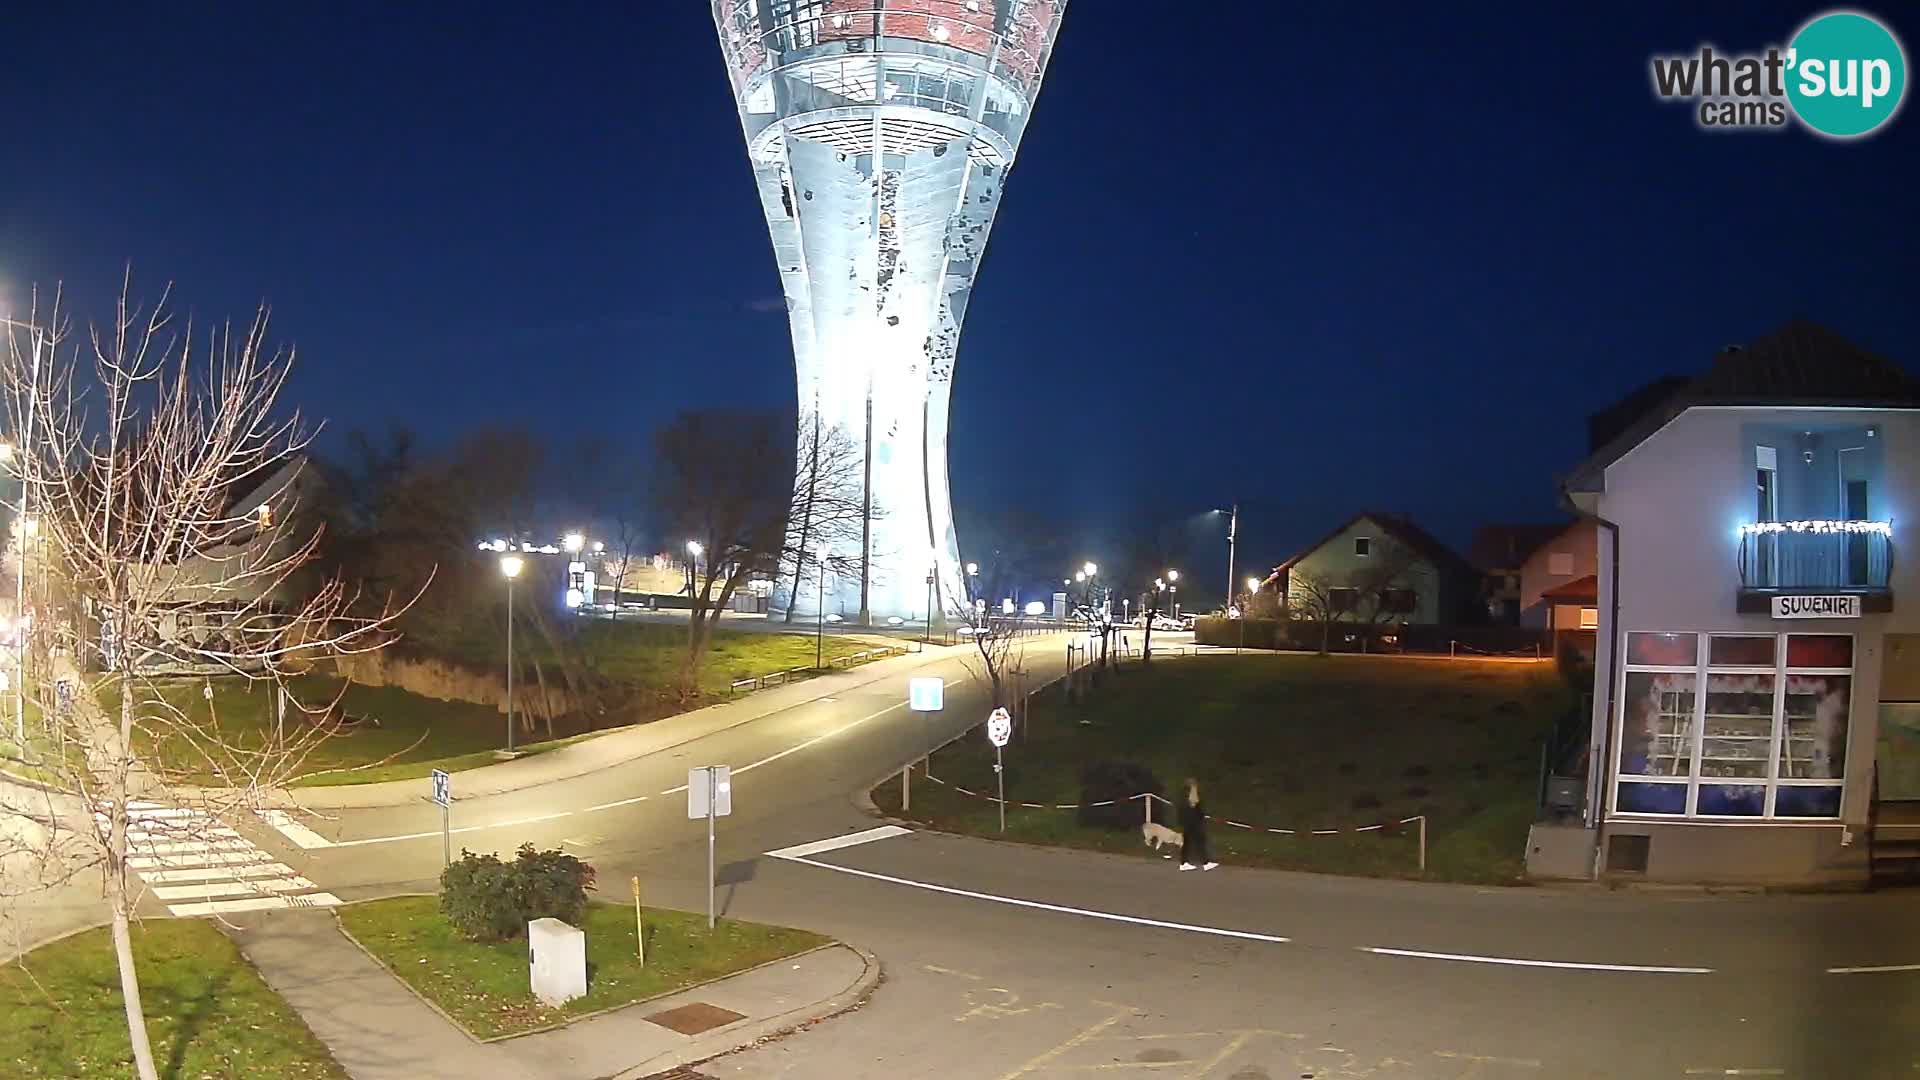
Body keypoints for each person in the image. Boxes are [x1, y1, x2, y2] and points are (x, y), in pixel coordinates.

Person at [1178, 777, 1218, 871]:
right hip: (1192, 822)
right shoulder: (1190, 795)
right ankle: (1205, 863)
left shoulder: (1184, 796)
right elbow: (1194, 805)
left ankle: (1185, 863)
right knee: (1198, 841)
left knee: (1189, 843)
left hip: (1189, 822)